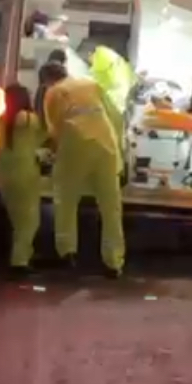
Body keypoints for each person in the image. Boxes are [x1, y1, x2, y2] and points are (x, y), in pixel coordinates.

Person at [39, 61, 126, 278]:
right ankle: (113, 262)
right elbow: (116, 117)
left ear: (47, 80)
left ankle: (67, 252)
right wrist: (118, 148)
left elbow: (54, 129)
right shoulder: (90, 84)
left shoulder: (53, 93)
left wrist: (51, 152)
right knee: (110, 208)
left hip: (75, 146)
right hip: (106, 146)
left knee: (65, 199)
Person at [0, 83, 49, 279]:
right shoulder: (28, 119)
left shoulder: (3, 119)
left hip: (4, 171)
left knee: (17, 219)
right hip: (24, 172)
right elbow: (45, 135)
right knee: (29, 220)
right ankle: (19, 262)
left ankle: (25, 254)